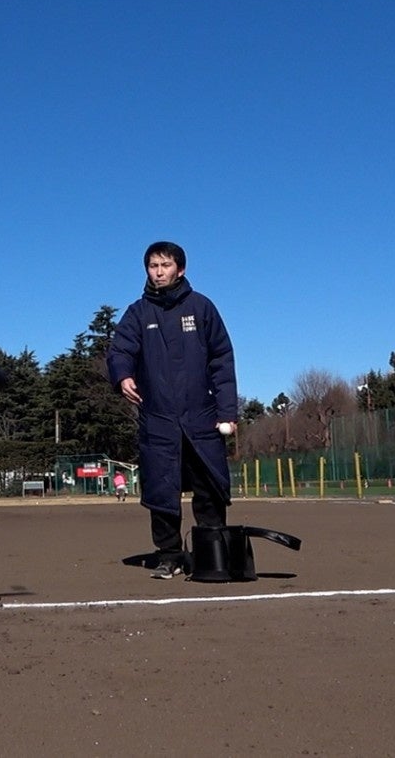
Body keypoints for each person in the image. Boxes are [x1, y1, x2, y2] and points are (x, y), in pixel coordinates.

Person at [107, 241, 238, 580]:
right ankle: (169, 555)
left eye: (165, 265)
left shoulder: (202, 308)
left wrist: (227, 412)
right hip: (159, 420)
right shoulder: (138, 313)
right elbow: (120, 350)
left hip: (201, 417)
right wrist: (123, 376)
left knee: (210, 489)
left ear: (180, 269)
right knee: (162, 492)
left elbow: (222, 360)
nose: (159, 271)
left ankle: (211, 550)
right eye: (153, 266)